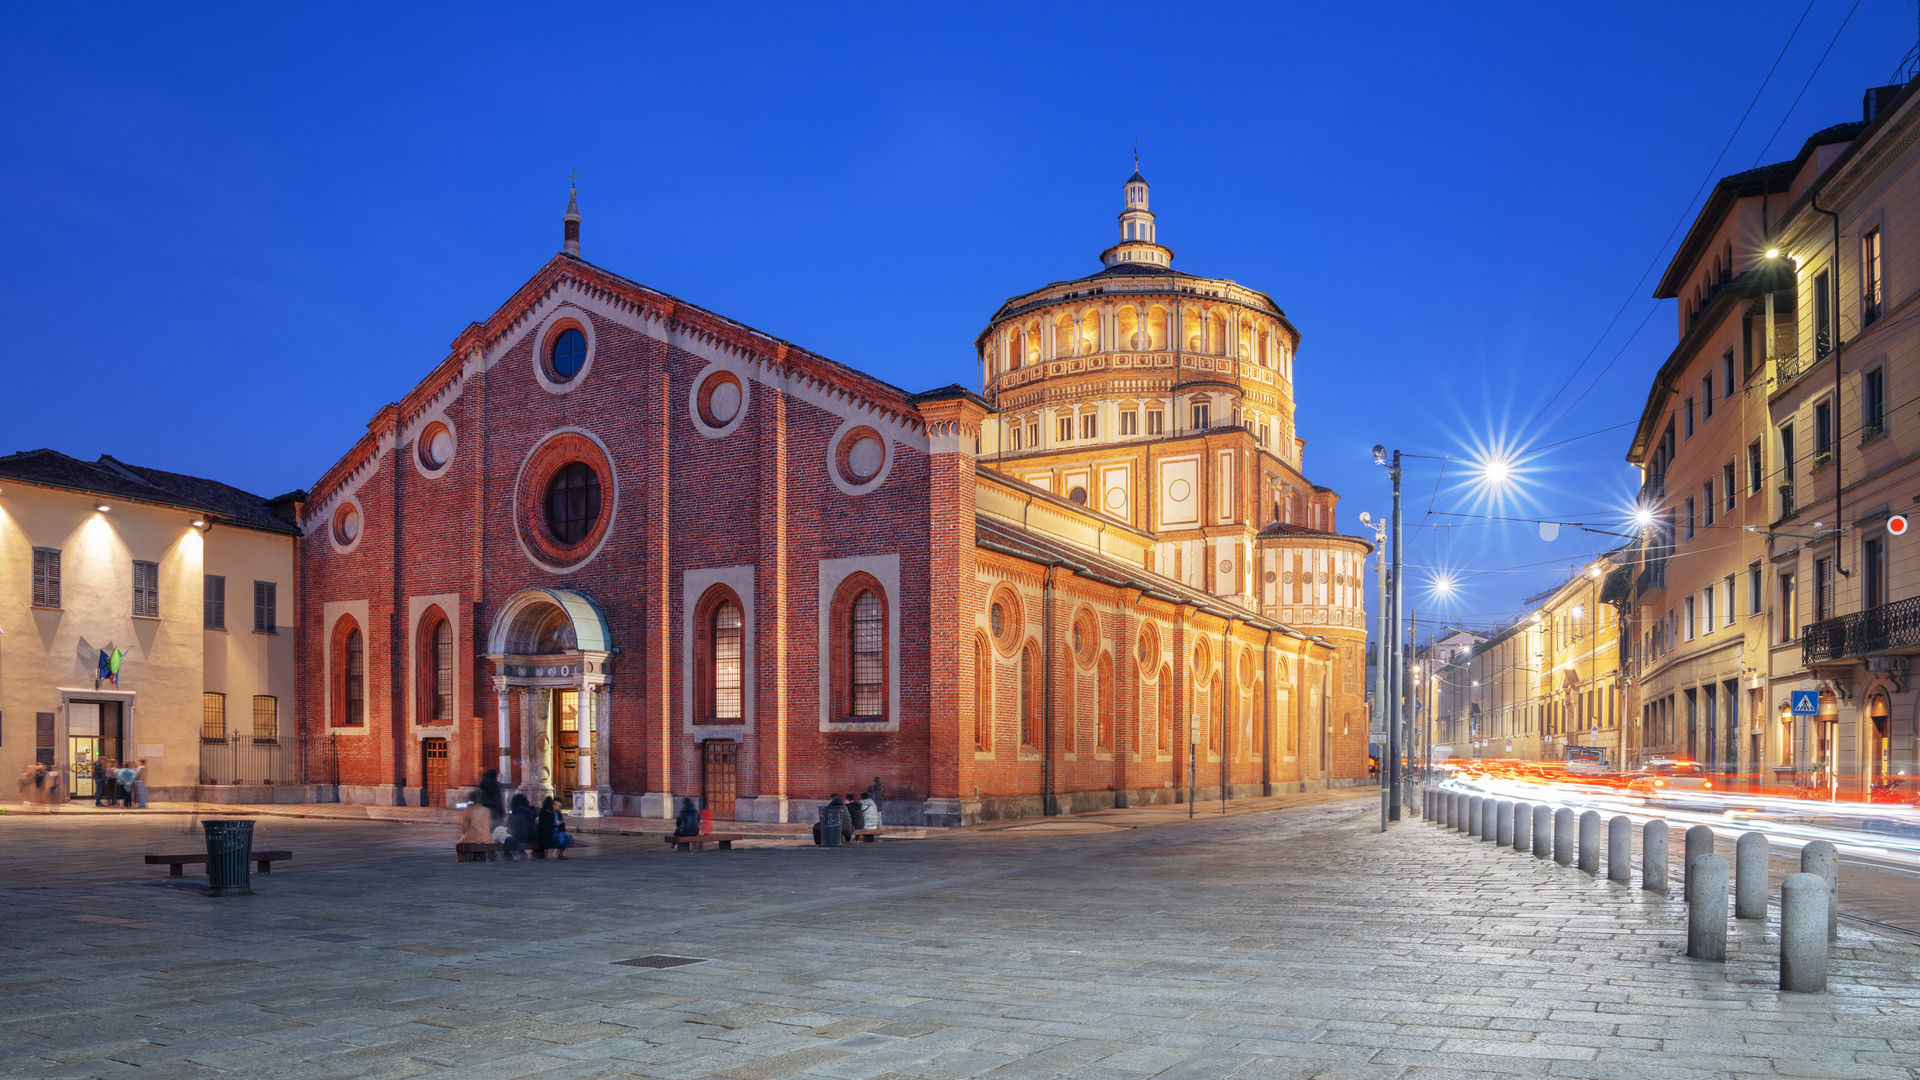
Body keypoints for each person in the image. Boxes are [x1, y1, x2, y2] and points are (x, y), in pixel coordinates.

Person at [504, 794, 536, 859]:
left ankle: (515, 856)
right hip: (532, 838)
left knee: (508, 840)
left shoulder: (515, 812)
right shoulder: (530, 811)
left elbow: (509, 828)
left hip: (520, 839)